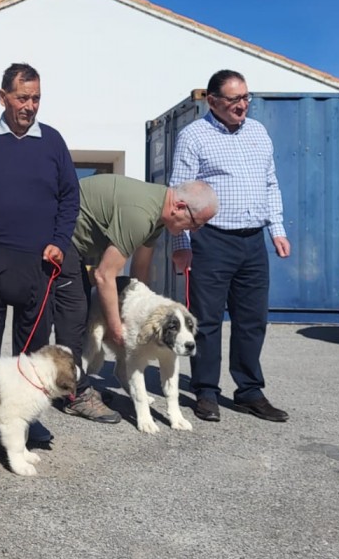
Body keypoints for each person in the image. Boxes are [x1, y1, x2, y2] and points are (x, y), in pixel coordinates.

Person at [0, 62, 78, 445]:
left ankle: (25, 417)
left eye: (36, 98)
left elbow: (70, 198)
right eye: (23, 97)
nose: (30, 105)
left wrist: (60, 240)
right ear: (3, 97)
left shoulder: (53, 142)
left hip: (37, 259)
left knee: (33, 347)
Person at [169, 69, 291, 424]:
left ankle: (250, 391)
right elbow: (179, 194)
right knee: (205, 321)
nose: (243, 105)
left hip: (253, 240)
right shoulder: (194, 136)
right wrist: (181, 243)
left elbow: (271, 183)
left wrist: (277, 230)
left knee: (252, 319)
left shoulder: (258, 132)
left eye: (246, 97)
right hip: (211, 241)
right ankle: (206, 391)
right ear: (213, 101)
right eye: (235, 99)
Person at [52, 174, 218, 422]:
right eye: (195, 224)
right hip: (60, 238)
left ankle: (76, 385)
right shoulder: (141, 214)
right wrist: (118, 329)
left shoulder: (160, 215)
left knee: (78, 308)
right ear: (179, 207)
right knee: (75, 313)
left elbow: (139, 275)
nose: (194, 231)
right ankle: (73, 394)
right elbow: (105, 275)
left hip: (79, 246)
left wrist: (143, 308)